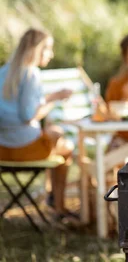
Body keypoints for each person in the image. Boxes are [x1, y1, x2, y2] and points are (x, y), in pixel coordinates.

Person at [0, 28, 76, 221]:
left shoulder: (4, 72)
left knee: (54, 135)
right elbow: (28, 116)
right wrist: (55, 98)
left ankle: (50, 196)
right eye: (48, 49)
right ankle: (58, 205)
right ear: (37, 49)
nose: (51, 54)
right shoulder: (31, 74)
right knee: (66, 146)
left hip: (3, 149)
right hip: (24, 149)